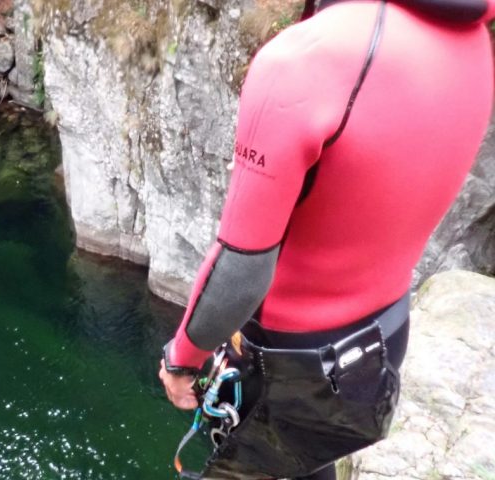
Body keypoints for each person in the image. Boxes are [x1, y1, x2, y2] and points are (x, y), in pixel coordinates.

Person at [158, 0, 494, 478]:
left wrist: (182, 360)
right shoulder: (471, 37)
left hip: (288, 362)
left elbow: (241, 270)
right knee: (308, 459)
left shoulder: (302, 61)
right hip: (382, 336)